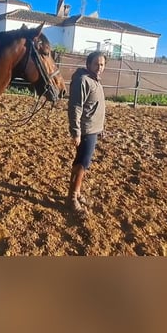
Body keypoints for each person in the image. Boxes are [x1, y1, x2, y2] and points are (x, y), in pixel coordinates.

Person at [66, 50, 107, 214]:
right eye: (96, 64)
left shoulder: (95, 80)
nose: (99, 67)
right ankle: (73, 198)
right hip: (86, 130)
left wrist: (101, 127)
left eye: (102, 64)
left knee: (80, 163)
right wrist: (76, 131)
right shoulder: (83, 80)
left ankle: (75, 193)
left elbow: (96, 106)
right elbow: (75, 107)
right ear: (88, 64)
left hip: (93, 129)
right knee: (82, 164)